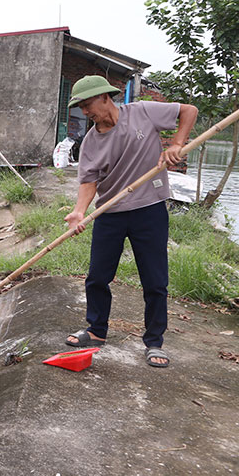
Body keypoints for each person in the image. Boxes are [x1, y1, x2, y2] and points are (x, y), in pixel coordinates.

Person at [62, 75, 198, 368]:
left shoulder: (142, 112)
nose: (86, 112)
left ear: (105, 98)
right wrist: (79, 211)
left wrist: (176, 144)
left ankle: (154, 341)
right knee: (98, 276)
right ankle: (97, 331)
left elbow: (189, 111)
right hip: (109, 214)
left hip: (149, 209)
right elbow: (89, 181)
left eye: (88, 105)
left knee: (155, 280)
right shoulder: (90, 143)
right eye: (82, 107)